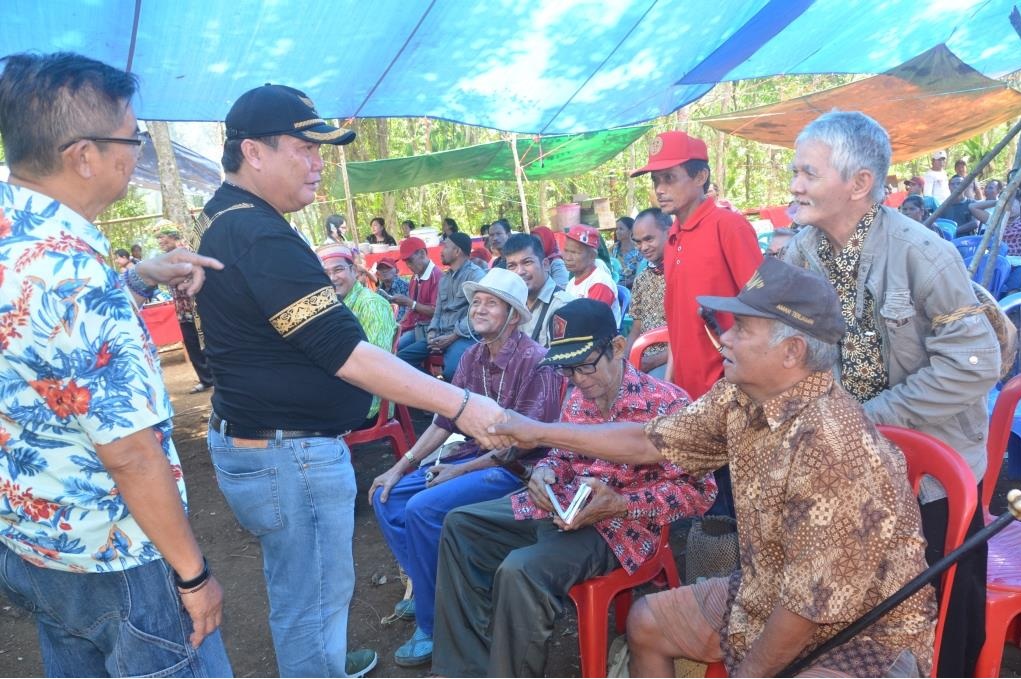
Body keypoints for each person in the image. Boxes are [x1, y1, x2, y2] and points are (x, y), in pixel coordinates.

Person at [489, 258, 936, 678]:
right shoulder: (740, 395)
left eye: (741, 328)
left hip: (859, 634)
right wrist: (539, 431)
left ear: (792, 351)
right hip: (768, 590)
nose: (725, 338)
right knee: (646, 621)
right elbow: (648, 439)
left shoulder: (833, 447)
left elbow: (807, 609)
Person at [195, 83, 507, 678]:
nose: (318, 164)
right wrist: (462, 404)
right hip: (289, 457)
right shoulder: (259, 233)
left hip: (266, 445)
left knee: (301, 599)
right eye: (303, 149)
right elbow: (347, 353)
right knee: (313, 609)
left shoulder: (232, 221)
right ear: (253, 152)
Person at [0, 51, 232, 677]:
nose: (136, 153)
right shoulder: (72, 274)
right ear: (83, 156)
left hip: (33, 543)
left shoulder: (17, 236)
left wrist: (130, 278)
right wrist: (193, 574)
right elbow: (128, 452)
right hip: (120, 557)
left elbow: (32, 338)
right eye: (131, 139)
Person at [784, 110, 999, 676]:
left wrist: (870, 416)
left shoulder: (922, 254)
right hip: (849, 471)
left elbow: (977, 363)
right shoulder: (800, 251)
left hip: (930, 480)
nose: (794, 185)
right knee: (858, 614)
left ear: (858, 184)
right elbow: (781, 339)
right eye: (795, 171)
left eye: (807, 173)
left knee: (942, 617)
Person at [432, 298, 718, 678]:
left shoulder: (667, 403)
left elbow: (700, 493)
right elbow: (559, 456)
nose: (579, 380)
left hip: (619, 530)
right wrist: (543, 474)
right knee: (460, 525)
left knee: (520, 572)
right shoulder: (578, 398)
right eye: (569, 370)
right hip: (560, 509)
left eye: (585, 366)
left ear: (616, 347)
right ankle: (466, 667)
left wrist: (621, 504)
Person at [370, 268, 564, 668]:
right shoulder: (473, 355)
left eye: (490, 303)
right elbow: (445, 419)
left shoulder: (537, 362)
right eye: (476, 301)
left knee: (422, 509)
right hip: (469, 459)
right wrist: (403, 465)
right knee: (384, 495)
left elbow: (520, 446)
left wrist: (456, 472)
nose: (478, 308)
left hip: (513, 470)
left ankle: (432, 624)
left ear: (513, 315)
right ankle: (430, 591)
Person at [630, 130, 761, 400]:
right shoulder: (673, 238)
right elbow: (680, 321)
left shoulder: (728, 227)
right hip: (688, 392)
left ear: (700, 177)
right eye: (656, 180)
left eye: (669, 178)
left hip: (728, 388)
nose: (659, 189)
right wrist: (671, 385)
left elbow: (760, 307)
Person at [317, 243, 398, 427]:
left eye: (338, 270)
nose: (332, 278)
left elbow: (375, 364)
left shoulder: (371, 304)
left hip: (367, 402)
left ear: (353, 270)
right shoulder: (332, 304)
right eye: (325, 273)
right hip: (344, 391)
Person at [396, 231, 485, 382]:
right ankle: (434, 390)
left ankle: (445, 392)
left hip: (463, 336)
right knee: (400, 360)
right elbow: (438, 312)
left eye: (445, 247)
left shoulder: (476, 276)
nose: (441, 251)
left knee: (451, 371)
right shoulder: (445, 278)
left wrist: (452, 336)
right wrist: (431, 334)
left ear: (457, 251)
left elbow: (477, 314)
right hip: (440, 335)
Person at [157, 223, 216, 394]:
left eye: (162, 237)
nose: (160, 241)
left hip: (198, 308)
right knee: (192, 345)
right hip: (182, 310)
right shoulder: (166, 257)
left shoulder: (186, 252)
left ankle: (218, 377)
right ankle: (206, 380)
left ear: (172, 236)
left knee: (208, 342)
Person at [502, 233, 573, 347]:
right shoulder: (512, 306)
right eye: (512, 266)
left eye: (527, 262)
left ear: (545, 265)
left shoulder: (563, 306)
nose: (519, 271)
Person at [625, 208, 671, 375]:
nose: (643, 247)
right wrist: (626, 360)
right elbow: (636, 327)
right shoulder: (642, 278)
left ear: (669, 232)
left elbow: (691, 335)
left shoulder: (683, 273)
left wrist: (652, 361)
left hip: (671, 358)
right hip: (642, 356)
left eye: (649, 239)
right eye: (637, 242)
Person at [392, 236, 441, 351]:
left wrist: (410, 303)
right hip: (412, 327)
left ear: (423, 254)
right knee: (385, 343)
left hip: (428, 330)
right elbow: (410, 310)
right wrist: (399, 324)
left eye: (410, 261)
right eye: (406, 262)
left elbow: (436, 311)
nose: (408, 265)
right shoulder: (415, 277)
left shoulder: (437, 276)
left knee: (394, 350)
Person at [374, 255, 410, 322]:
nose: (384, 271)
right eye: (381, 269)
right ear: (377, 274)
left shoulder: (405, 286)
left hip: (404, 325)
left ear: (396, 271)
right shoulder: (379, 291)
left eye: (388, 268)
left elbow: (409, 310)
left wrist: (399, 325)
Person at [611, 216, 643, 288]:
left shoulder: (639, 250)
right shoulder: (614, 248)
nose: (617, 232)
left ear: (631, 230)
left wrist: (624, 284)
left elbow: (641, 274)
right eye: (617, 229)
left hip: (634, 288)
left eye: (621, 229)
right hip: (615, 288)